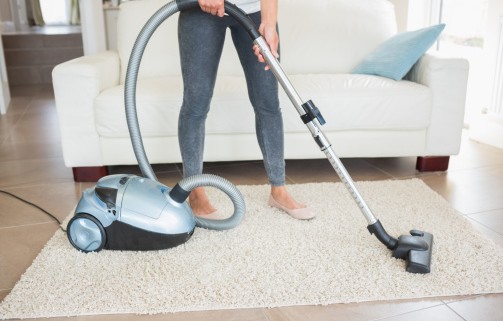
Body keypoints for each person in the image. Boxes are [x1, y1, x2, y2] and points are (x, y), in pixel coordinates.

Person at [178, 0, 314, 220]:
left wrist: (269, 23)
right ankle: (195, 192)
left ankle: (278, 189)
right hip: (200, 10)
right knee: (196, 103)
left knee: (268, 101)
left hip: (253, 10)